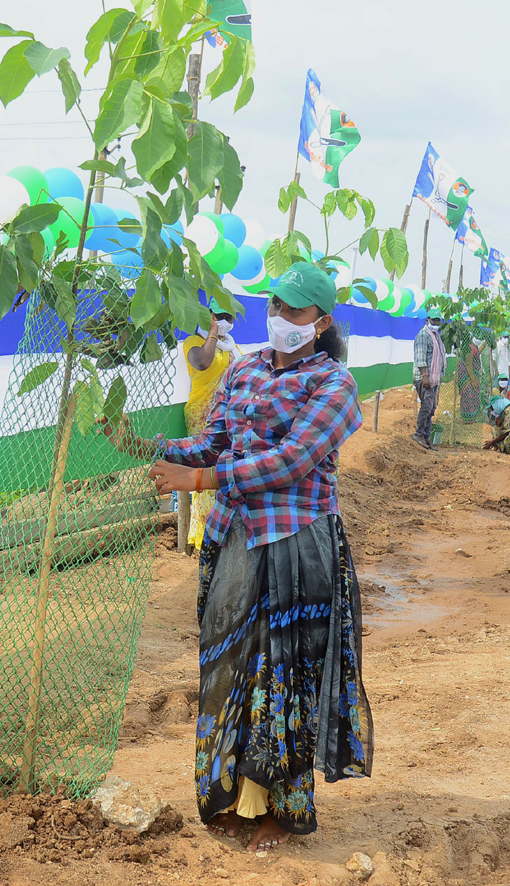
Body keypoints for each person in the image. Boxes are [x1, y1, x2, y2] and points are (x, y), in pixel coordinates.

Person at [103, 263, 372, 853]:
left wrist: (198, 478)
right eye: (275, 304)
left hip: (296, 543)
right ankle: (235, 795)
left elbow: (293, 461)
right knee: (229, 667)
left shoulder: (334, 386)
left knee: (286, 673)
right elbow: (214, 440)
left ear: (321, 321)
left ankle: (283, 808)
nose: (279, 317)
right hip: (235, 538)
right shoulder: (246, 367)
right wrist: (144, 445)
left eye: (295, 310)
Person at [183, 302, 238, 551]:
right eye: (218, 316)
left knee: (223, 472)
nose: (224, 320)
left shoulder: (232, 346)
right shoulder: (193, 343)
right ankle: (203, 535)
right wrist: (213, 332)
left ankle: (221, 530)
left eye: (228, 316)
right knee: (204, 473)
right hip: (202, 415)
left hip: (227, 416)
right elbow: (203, 363)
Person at [412, 308, 447, 450]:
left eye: (438, 320)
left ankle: (426, 436)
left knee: (432, 407)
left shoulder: (436, 336)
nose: (436, 323)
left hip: (434, 378)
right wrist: (425, 376)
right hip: (425, 377)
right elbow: (420, 357)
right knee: (427, 405)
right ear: (428, 320)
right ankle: (419, 433)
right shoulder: (423, 335)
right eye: (434, 320)